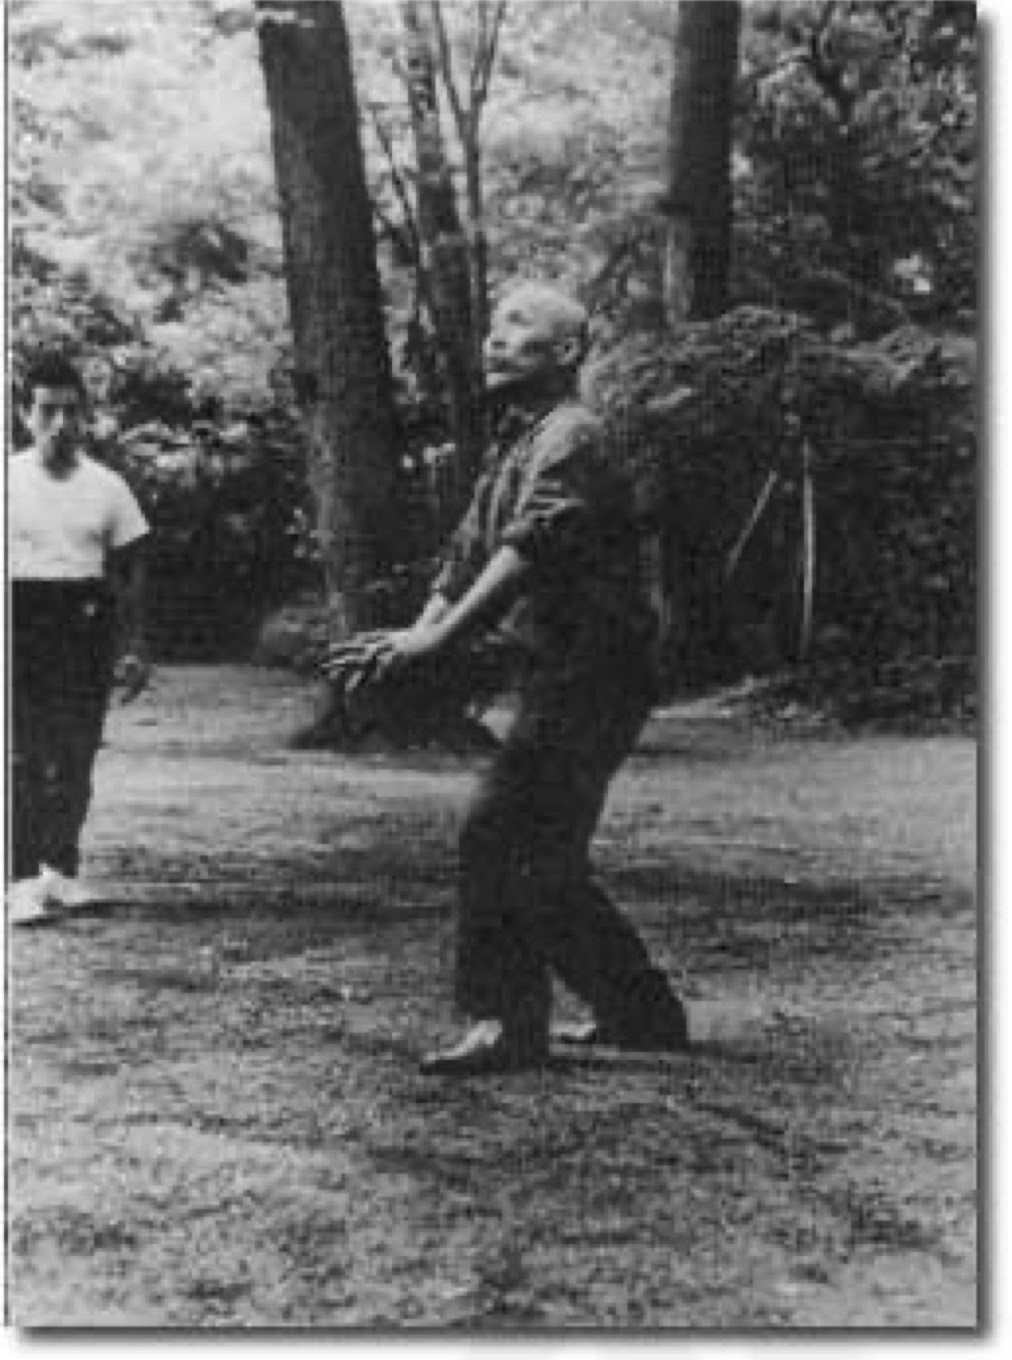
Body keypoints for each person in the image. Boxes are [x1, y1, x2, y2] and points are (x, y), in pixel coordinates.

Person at [336, 281, 688, 1076]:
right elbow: (467, 558)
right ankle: (643, 1010)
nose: (495, 336)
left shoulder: (575, 436)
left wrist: (433, 647)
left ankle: (505, 1022)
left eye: (518, 324)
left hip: (596, 674)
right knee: (547, 854)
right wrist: (413, 640)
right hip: (561, 671)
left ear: (566, 352)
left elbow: (525, 551)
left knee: (497, 833)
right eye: (493, 322)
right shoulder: (516, 442)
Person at [7, 350, 152, 924]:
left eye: (71, 412)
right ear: (25, 413)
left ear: (85, 414)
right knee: (19, 752)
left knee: (75, 752)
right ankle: (17, 880)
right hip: (17, 618)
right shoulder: (8, 479)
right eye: (47, 411)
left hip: (83, 620)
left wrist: (135, 647)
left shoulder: (107, 487)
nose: (61, 425)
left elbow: (135, 570)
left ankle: (59, 872)